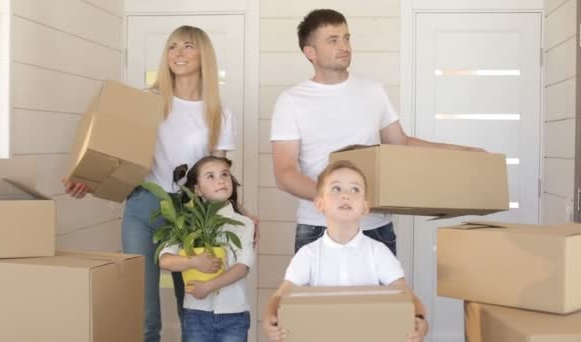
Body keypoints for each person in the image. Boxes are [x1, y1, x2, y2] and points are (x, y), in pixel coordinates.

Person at [63, 26, 245, 342]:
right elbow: (112, 153)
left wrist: (241, 213)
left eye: (188, 46)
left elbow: (217, 175)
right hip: (144, 206)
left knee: (191, 305)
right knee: (144, 311)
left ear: (204, 56)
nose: (178, 53)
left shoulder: (219, 114)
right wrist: (86, 179)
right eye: (172, 47)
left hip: (191, 214)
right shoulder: (146, 103)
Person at [270, 9, 483, 255]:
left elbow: (400, 143)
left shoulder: (373, 91)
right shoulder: (292, 101)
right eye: (333, 40)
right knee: (319, 296)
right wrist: (336, 196)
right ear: (310, 53)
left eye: (346, 38)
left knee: (380, 296)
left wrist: (465, 152)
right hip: (320, 228)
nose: (344, 46)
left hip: (375, 227)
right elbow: (284, 172)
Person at [262, 160, 428, 342]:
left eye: (355, 189)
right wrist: (269, 320)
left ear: (365, 207)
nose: (346, 195)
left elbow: (406, 294)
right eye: (336, 189)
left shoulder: (378, 252)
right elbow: (280, 296)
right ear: (319, 204)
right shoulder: (308, 254)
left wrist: (420, 321)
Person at [159, 156, 254, 342]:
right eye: (210, 176)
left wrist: (207, 287)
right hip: (196, 313)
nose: (221, 180)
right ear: (197, 189)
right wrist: (193, 261)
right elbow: (165, 260)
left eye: (225, 174)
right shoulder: (186, 223)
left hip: (234, 314)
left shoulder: (245, 224)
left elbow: (243, 267)